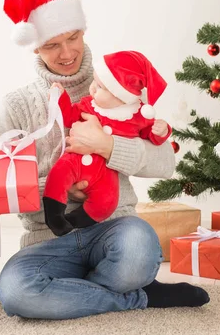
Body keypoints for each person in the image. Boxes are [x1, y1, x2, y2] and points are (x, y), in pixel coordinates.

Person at [0, 0, 210, 320]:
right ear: (35, 47)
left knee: (139, 249)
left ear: (83, 31)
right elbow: (4, 192)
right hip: (47, 239)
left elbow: (165, 162)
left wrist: (107, 146)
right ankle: (135, 296)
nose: (67, 53)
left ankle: (83, 292)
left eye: (73, 38)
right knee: (15, 293)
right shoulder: (15, 106)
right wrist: (64, 192)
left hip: (116, 230)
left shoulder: (119, 82)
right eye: (52, 45)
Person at [43, 50, 173, 236]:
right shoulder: (89, 105)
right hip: (74, 160)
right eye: (95, 82)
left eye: (101, 87)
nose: (93, 88)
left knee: (107, 201)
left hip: (105, 172)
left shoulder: (137, 116)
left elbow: (152, 137)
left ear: (122, 96)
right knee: (58, 175)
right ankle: (54, 216)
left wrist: (162, 131)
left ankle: (75, 221)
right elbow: (68, 115)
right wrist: (60, 99)